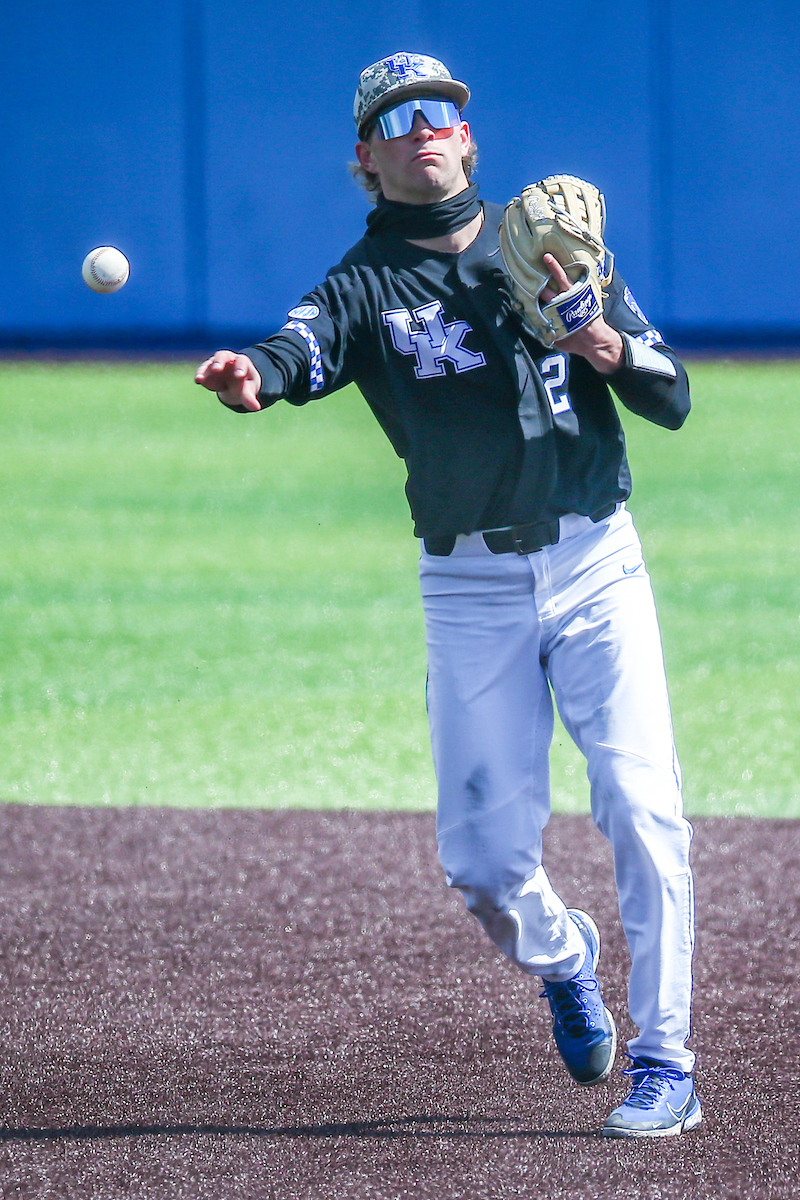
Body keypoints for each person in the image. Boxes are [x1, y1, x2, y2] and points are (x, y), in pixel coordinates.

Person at [195, 52, 701, 1139]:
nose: (423, 127)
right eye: (397, 119)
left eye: (439, 113)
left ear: (464, 139)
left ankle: (663, 1058)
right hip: (466, 582)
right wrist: (253, 378)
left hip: (594, 562)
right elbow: (298, 348)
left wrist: (596, 336)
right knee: (479, 865)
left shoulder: (554, 246)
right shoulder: (362, 286)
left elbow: (671, 399)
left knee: (642, 809)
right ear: (366, 161)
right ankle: (564, 961)